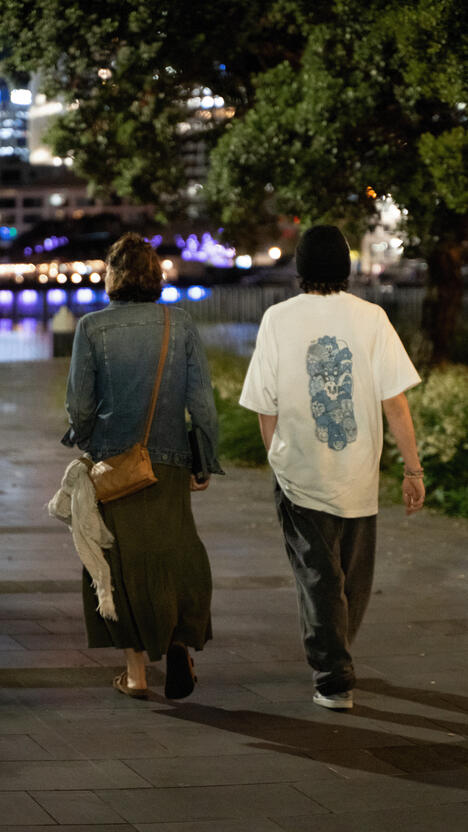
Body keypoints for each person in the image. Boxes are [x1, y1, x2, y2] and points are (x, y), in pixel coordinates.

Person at [239, 225, 425, 710]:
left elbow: (264, 403)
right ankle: (334, 669)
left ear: (300, 269)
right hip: (358, 472)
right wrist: (413, 468)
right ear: (344, 266)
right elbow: (396, 401)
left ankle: (333, 667)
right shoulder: (373, 318)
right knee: (349, 577)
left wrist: (275, 453)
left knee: (320, 576)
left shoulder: (277, 319)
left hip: (299, 471)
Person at [62, 232, 223, 700]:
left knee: (117, 562)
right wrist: (203, 458)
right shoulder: (181, 325)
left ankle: (135, 675)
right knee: (174, 550)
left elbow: (79, 406)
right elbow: (202, 404)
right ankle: (176, 639)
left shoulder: (91, 327)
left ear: (112, 275)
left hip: (114, 465)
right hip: (169, 458)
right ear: (155, 276)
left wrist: (90, 444)